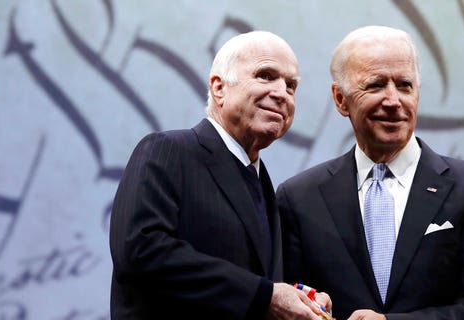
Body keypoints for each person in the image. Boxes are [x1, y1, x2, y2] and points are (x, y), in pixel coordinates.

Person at [277, 26, 464, 320]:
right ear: (340, 99)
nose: (393, 101)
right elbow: (287, 303)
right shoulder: (299, 198)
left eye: (404, 85)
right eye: (376, 85)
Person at [109, 31, 330, 319]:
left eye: (291, 86)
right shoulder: (168, 150)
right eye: (265, 76)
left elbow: (253, 283)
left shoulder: (264, 184)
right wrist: (266, 296)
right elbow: (140, 250)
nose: (281, 93)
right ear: (219, 87)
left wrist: (300, 299)